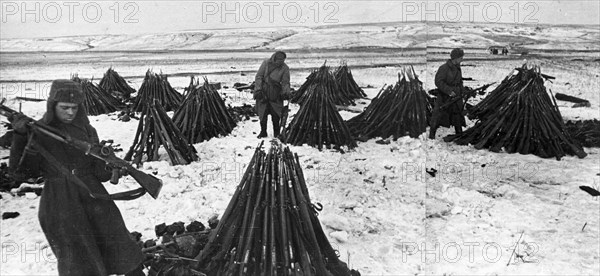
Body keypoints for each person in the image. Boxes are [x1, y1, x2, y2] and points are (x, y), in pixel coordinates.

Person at [9, 80, 144, 276]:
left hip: (94, 197)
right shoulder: (38, 132)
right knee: (78, 260)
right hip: (59, 202)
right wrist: (20, 136)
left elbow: (101, 175)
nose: (70, 113)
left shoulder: (88, 131)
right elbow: (21, 175)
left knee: (119, 244)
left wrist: (111, 164)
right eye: (64, 108)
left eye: (74, 108)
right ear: (52, 106)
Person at [429, 48, 466, 139]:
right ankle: (432, 134)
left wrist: (462, 91)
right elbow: (438, 81)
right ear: (455, 58)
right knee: (438, 114)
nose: (462, 59)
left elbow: (459, 81)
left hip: (456, 94)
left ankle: (459, 132)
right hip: (444, 95)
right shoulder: (444, 68)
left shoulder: (457, 67)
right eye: (461, 57)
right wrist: (449, 91)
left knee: (457, 113)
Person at [253, 51, 291, 138]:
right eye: (279, 60)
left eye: (282, 60)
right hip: (264, 91)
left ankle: (276, 133)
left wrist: (285, 92)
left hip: (276, 93)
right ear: (275, 58)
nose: (280, 62)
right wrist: (258, 90)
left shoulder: (285, 68)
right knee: (263, 113)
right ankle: (263, 132)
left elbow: (285, 82)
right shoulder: (266, 63)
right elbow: (259, 77)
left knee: (276, 114)